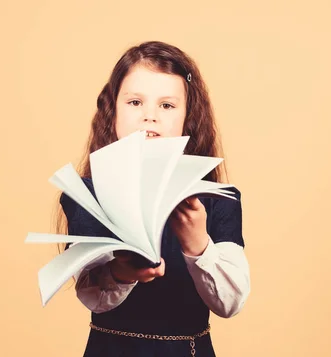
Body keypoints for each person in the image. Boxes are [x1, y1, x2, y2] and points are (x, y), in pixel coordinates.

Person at [55, 41, 251, 357]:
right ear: (112, 111)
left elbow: (230, 303)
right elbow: (91, 294)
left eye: (167, 106)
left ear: (188, 117)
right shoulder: (87, 195)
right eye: (135, 102)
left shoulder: (218, 200)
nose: (149, 116)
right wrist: (122, 272)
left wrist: (198, 244)